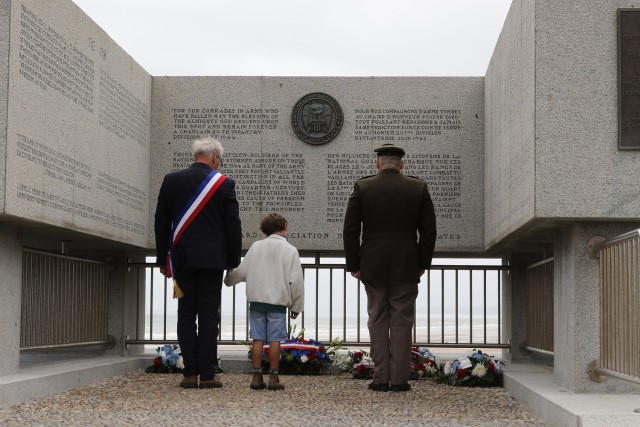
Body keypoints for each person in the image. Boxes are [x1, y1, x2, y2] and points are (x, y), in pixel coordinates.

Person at [343, 143, 437, 392]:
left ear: (377, 163)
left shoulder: (363, 187)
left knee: (377, 318)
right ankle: (399, 380)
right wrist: (422, 263)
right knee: (402, 321)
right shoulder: (418, 187)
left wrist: (354, 263)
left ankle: (380, 378)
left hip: (372, 263)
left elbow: (351, 230)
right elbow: (428, 231)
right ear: (401, 164)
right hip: (406, 263)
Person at [154, 137, 242, 389]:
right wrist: (232, 259)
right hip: (212, 261)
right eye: (219, 160)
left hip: (181, 260)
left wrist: (163, 259)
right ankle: (207, 374)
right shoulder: (223, 183)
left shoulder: (171, 181)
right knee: (207, 316)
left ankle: (189, 374)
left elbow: (161, 222)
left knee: (185, 314)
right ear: (215, 158)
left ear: (197, 155)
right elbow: (232, 225)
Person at [224, 212, 304, 391]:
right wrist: (296, 306)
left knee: (257, 338)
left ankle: (256, 375)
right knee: (275, 339)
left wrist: (228, 279)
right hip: (278, 302)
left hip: (257, 301)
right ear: (284, 226)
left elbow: (241, 271)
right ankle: (273, 377)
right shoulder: (291, 250)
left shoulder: (256, 247)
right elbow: (296, 281)